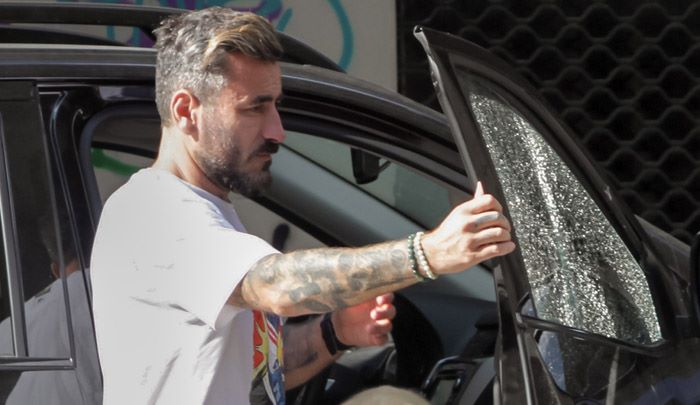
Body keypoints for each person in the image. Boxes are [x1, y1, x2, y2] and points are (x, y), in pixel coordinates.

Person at [89, 7, 515, 405]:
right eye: (255, 108)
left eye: (276, 105)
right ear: (186, 111)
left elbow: (254, 373)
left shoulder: (204, 214)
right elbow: (276, 286)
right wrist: (428, 253)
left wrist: (334, 332)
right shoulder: (156, 215)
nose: (277, 130)